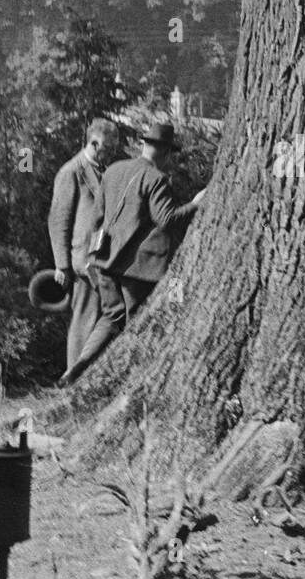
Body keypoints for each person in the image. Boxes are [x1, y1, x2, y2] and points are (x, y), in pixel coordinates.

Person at [58, 122, 205, 386]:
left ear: (144, 145)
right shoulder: (156, 179)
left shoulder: (113, 170)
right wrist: (195, 204)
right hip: (135, 271)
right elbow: (168, 219)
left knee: (111, 317)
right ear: (165, 153)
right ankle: (125, 379)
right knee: (135, 322)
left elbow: (97, 218)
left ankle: (76, 369)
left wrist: (94, 255)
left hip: (102, 263)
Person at [48, 119, 120, 377]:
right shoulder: (71, 172)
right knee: (83, 322)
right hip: (82, 263)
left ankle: (86, 376)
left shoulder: (103, 170)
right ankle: (74, 379)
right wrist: (62, 265)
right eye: (108, 148)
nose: (111, 153)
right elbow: (58, 220)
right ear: (93, 143)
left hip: (101, 260)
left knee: (97, 320)